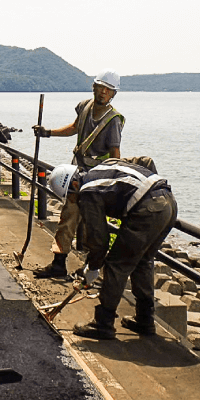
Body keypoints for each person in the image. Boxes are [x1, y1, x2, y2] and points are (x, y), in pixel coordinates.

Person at [47, 157, 177, 340]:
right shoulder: (101, 168)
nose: (73, 200)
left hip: (148, 209)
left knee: (116, 264)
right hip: (167, 202)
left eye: (70, 196)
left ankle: (103, 324)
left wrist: (92, 268)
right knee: (142, 261)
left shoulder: (88, 192)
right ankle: (145, 320)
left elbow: (98, 240)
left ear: (74, 184)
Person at [32, 70, 125, 278]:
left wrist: (113, 184)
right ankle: (59, 263)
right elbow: (74, 128)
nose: (103, 92)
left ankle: (91, 268)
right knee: (69, 216)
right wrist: (48, 133)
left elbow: (115, 156)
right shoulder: (84, 106)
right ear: (94, 87)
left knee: (93, 223)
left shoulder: (113, 120)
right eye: (100, 87)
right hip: (76, 173)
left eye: (108, 90)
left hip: (97, 180)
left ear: (113, 94)